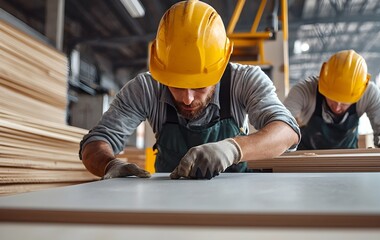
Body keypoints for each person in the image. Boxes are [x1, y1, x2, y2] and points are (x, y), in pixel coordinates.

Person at [79, 0, 300, 180]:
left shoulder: (244, 80)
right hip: (168, 200)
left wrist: (233, 149)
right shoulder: (146, 88)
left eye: (200, 86)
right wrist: (109, 164)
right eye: (176, 85)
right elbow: (95, 142)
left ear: (220, 68)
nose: (187, 98)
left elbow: (287, 131)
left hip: (235, 199)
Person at [283, 50, 380, 150]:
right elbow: (280, 124)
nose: (337, 107)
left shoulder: (369, 93)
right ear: (323, 82)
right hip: (307, 160)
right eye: (332, 99)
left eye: (345, 103)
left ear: (361, 91)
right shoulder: (304, 91)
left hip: (348, 162)